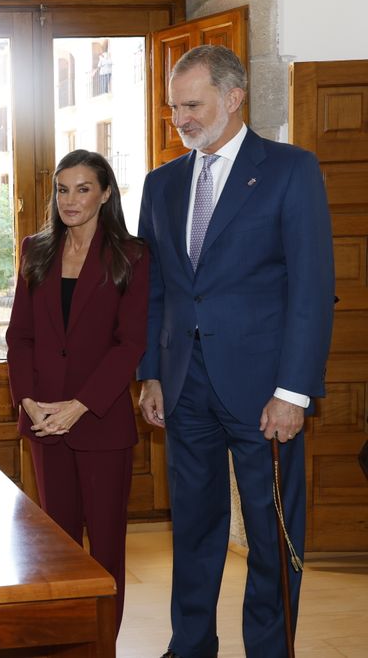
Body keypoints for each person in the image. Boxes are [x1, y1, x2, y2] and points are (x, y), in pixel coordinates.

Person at [136, 45, 334, 657]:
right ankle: (190, 646)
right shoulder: (162, 184)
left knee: (271, 535)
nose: (181, 120)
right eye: (174, 108)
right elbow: (155, 290)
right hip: (184, 387)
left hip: (265, 392)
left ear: (233, 97)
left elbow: (312, 288)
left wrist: (293, 392)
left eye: (192, 105)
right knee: (194, 531)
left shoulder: (290, 170)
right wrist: (151, 374)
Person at [6, 149, 149, 635]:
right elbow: (20, 336)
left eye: (83, 189)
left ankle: (103, 643)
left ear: (105, 194)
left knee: (106, 547)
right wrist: (28, 401)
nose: (70, 200)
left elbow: (130, 343)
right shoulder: (36, 249)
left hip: (101, 421)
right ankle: (65, 640)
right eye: (62, 189)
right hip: (44, 420)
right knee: (57, 545)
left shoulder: (132, 255)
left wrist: (81, 405)